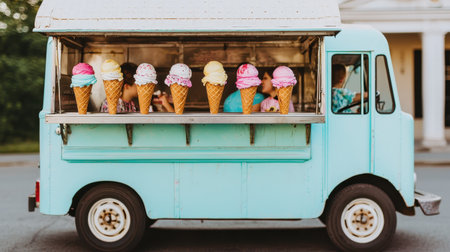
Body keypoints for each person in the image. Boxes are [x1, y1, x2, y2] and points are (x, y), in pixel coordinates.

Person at [100, 63, 174, 113]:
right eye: (138, 83)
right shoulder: (109, 104)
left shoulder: (133, 104)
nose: (141, 86)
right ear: (127, 86)